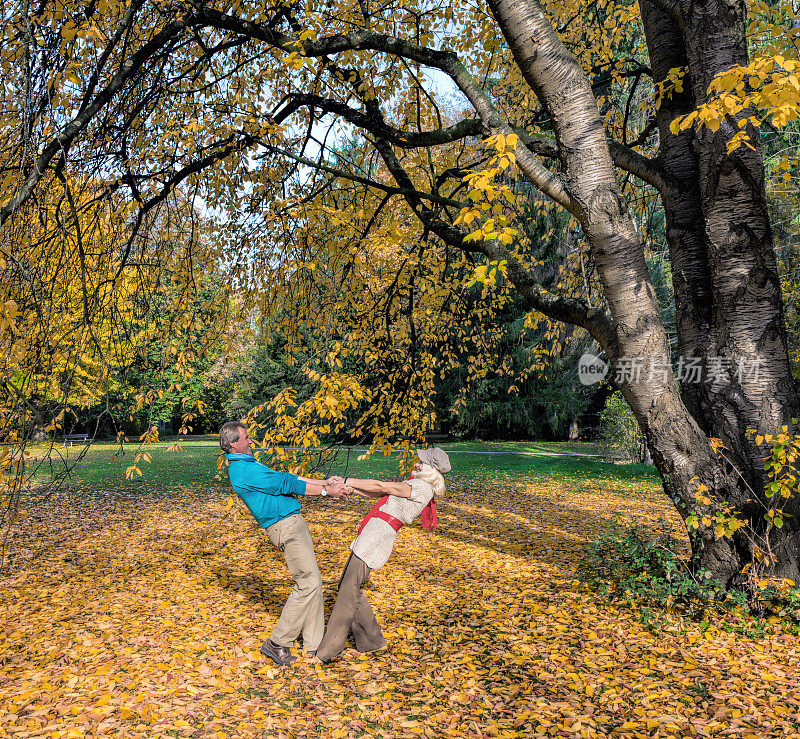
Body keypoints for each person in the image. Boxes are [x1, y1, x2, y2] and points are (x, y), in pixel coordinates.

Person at [219, 421, 347, 666]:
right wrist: (324, 492)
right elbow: (286, 484)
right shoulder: (244, 471)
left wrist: (325, 484)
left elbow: (286, 477)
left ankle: (315, 646)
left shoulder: (248, 463)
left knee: (313, 582)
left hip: (291, 522)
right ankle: (277, 642)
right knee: (307, 582)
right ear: (233, 443)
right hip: (284, 526)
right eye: (246, 438)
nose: (251, 441)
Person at [315, 447, 450, 663]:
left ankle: (328, 651)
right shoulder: (416, 485)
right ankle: (372, 641)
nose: (417, 463)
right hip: (373, 534)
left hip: (376, 538)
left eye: (421, 462)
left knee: (348, 591)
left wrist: (349, 480)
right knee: (349, 586)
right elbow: (381, 493)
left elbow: (381, 485)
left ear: (431, 469)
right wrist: (351, 489)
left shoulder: (422, 488)